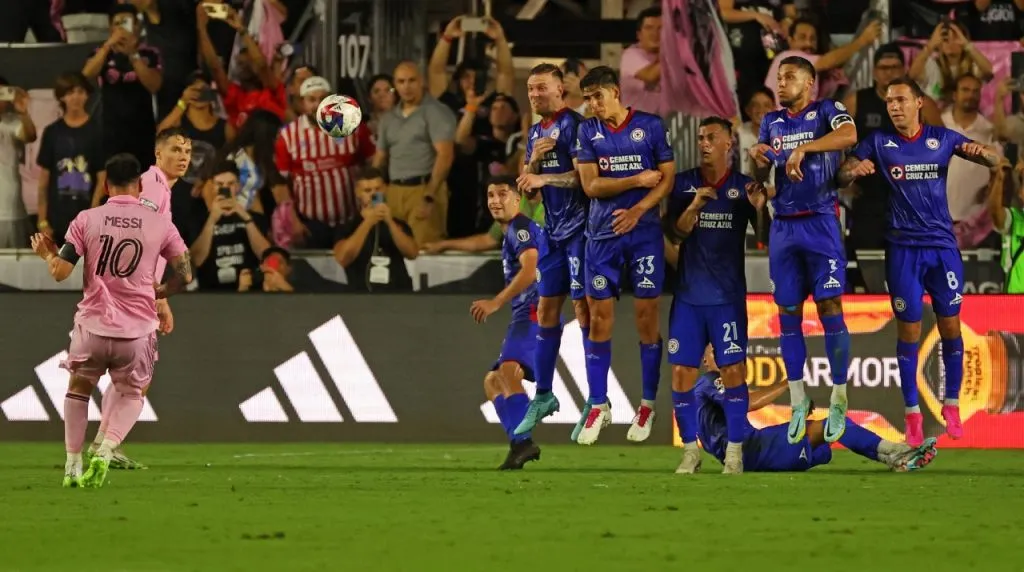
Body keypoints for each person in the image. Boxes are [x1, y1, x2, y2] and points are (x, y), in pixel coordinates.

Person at [838, 78, 1001, 446]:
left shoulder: (941, 140)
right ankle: (912, 412)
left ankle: (953, 404)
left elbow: (992, 157)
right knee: (909, 332)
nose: (893, 106)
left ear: (918, 102)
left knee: (951, 328)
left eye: (900, 100)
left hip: (942, 249)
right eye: (889, 101)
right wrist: (853, 171)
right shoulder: (879, 143)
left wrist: (984, 153)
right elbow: (842, 174)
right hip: (902, 251)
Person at [28, 154, 192, 488]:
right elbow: (185, 272)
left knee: (78, 391)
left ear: (106, 185)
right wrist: (160, 293)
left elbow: (60, 272)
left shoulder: (87, 218)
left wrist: (47, 254)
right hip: (136, 332)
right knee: (132, 394)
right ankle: (104, 450)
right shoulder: (159, 222)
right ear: (140, 185)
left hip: (92, 327)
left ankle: (72, 464)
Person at [749, 55, 857, 446]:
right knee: (788, 313)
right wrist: (758, 161)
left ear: (810, 82)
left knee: (830, 307)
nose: (781, 83)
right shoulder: (772, 122)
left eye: (790, 76)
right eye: (779, 77)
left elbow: (849, 137)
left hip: (822, 223)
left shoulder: (828, 110)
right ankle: (798, 399)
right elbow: (764, 174)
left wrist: (804, 149)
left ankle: (840, 397)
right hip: (785, 226)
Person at [572, 66, 675, 445]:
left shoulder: (649, 126)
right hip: (601, 235)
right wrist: (634, 180)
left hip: (644, 234)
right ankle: (599, 404)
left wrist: (636, 210)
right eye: (588, 98)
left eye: (598, 96)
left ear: (616, 91)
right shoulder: (588, 131)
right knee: (599, 318)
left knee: (647, 317)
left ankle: (647, 405)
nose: (593, 104)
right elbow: (591, 185)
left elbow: (667, 177)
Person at [85, 127, 192, 469]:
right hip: (130, 292)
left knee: (128, 374)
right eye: (175, 149)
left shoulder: (160, 188)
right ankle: (107, 445)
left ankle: (104, 444)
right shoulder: (154, 185)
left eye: (187, 150)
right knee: (136, 377)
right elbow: (137, 232)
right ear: (158, 154)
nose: (184, 156)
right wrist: (152, 293)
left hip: (129, 290)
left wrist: (159, 295)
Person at [665, 116, 765, 474]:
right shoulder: (682, 185)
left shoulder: (743, 187)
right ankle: (690, 451)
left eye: (712, 137)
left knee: (734, 370)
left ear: (729, 144)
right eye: (700, 137)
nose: (704, 143)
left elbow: (763, 237)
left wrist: (759, 209)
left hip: (727, 298)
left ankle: (734, 452)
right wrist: (694, 206)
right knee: (680, 372)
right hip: (689, 297)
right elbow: (674, 237)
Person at [692, 347, 939, 474]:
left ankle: (894, 456)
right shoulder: (709, 381)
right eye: (716, 351)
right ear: (706, 361)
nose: (726, 354)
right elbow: (744, 403)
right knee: (836, 424)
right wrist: (789, 384)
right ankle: (898, 455)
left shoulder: (713, 387)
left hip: (755, 449)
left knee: (832, 432)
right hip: (753, 451)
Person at [510, 63, 588, 437]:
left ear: (561, 89)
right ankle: (543, 394)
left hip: (580, 230)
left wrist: (543, 174)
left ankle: (595, 398)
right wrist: (535, 164)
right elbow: (527, 190)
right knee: (545, 309)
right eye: (530, 88)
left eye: (542, 87)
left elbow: (584, 179)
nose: (535, 94)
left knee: (584, 310)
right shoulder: (534, 132)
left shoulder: (576, 125)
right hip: (552, 230)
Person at [472, 176, 544, 470]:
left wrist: (496, 302)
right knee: (493, 382)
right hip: (525, 313)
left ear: (517, 200)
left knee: (506, 373)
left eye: (503, 194)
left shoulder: (521, 228)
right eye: (490, 195)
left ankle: (524, 442)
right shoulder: (512, 232)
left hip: (533, 312)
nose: (495, 200)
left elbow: (529, 271)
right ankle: (519, 443)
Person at [332, 167, 419, 292]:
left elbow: (412, 253)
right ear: (358, 192)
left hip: (398, 295)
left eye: (377, 189)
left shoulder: (398, 224)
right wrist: (368, 222)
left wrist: (389, 222)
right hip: (362, 295)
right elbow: (343, 259)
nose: (373, 194)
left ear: (385, 189)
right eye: (367, 190)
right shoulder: (348, 227)